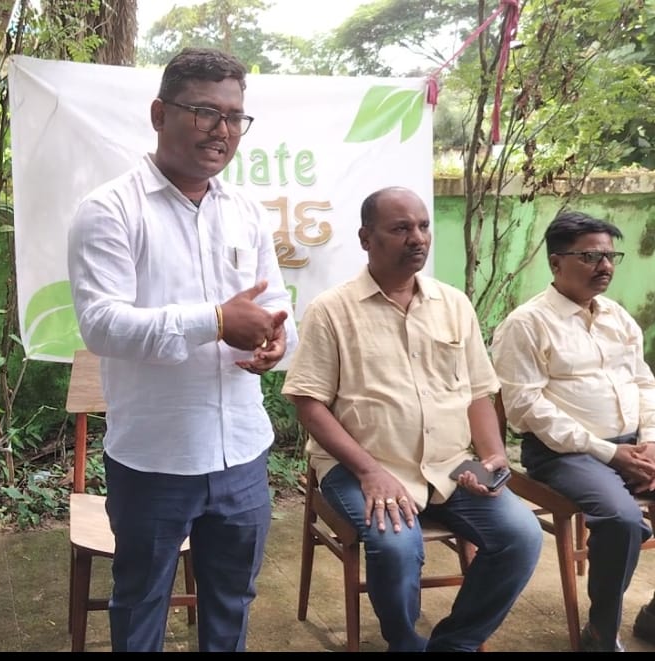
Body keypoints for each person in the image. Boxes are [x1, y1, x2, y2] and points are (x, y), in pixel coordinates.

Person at [66, 47, 297, 652]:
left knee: (231, 604)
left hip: (243, 454)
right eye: (204, 112)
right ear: (158, 113)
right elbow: (102, 325)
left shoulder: (245, 211)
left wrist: (275, 339)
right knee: (140, 603)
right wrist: (217, 319)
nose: (221, 131)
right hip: (154, 461)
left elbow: (279, 310)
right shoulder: (109, 210)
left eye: (234, 117)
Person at [281, 186, 543, 652]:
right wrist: (370, 472)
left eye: (422, 226)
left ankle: (454, 644)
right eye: (400, 228)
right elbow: (308, 403)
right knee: (398, 548)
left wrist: (493, 456)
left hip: (449, 465)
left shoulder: (453, 304)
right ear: (366, 238)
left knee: (521, 538)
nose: (418, 237)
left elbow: (479, 392)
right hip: (364, 468)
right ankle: (403, 642)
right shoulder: (332, 310)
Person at [490, 210, 655, 652]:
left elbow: (642, 381)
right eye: (590, 256)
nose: (605, 266)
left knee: (627, 511)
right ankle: (601, 631)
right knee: (620, 519)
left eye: (609, 255)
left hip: (632, 446)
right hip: (563, 455)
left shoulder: (617, 317)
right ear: (556, 262)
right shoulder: (526, 325)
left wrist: (649, 442)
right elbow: (527, 409)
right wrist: (609, 452)